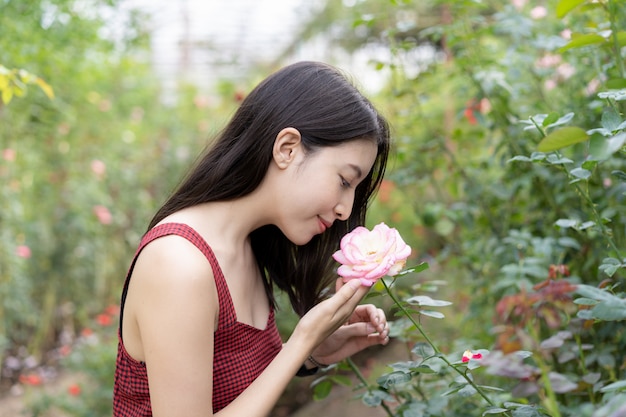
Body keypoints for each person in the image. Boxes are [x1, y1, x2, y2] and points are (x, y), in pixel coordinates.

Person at [113, 61, 392, 416]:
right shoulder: (179, 264)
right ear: (287, 148)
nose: (345, 208)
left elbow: (231, 384)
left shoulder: (246, 245)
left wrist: (313, 351)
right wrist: (302, 339)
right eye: (344, 181)